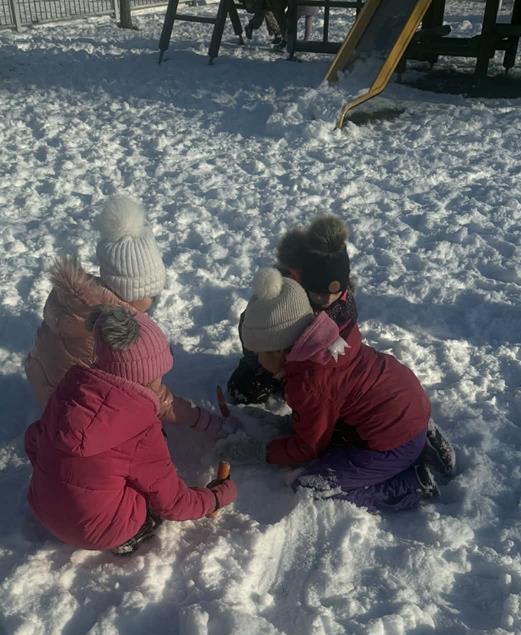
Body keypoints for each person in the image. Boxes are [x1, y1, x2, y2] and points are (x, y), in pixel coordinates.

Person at [218, 268, 455, 513]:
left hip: (391, 444)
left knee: (311, 486)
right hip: (407, 406)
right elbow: (326, 408)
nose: (257, 361)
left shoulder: (311, 382)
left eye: (259, 354)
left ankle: (414, 484)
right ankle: (423, 439)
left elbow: (308, 448)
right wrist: (288, 425)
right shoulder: (328, 336)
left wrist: (260, 452)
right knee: (344, 434)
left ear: (278, 349)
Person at [24, 307, 237, 555]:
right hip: (101, 531)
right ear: (144, 377)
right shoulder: (140, 430)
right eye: (158, 375)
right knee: (146, 498)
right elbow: (173, 503)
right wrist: (215, 498)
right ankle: (131, 536)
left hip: (42, 506)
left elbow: (33, 438)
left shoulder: (70, 393)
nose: (161, 381)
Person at [25, 193, 232, 439]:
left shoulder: (79, 299)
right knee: (141, 426)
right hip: (74, 417)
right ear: (130, 292)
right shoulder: (114, 333)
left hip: (45, 383)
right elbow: (153, 397)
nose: (154, 300)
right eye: (151, 295)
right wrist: (203, 420)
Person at [227, 214, 358, 407]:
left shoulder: (344, 306)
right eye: (318, 294)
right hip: (273, 359)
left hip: (314, 366)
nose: (327, 300)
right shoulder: (280, 295)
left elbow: (344, 342)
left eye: (336, 293)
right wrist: (262, 362)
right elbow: (252, 328)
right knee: (243, 389)